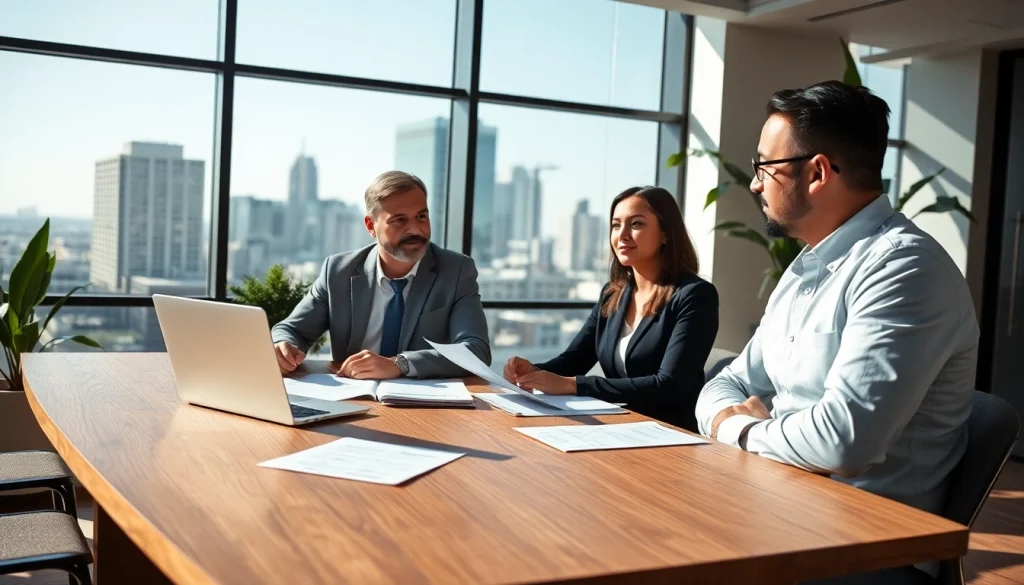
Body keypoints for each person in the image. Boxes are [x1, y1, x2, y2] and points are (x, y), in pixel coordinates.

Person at [695, 81, 978, 583]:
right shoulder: (805, 268)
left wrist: (740, 430)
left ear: (818, 172)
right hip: (781, 510)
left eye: (764, 166)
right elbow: (727, 382)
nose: (756, 184)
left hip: (863, 551)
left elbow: (843, 442)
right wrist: (728, 418)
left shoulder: (903, 269)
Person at [503, 186, 719, 432]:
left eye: (636, 224)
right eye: (616, 225)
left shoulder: (695, 295)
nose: (622, 235)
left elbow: (668, 385)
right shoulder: (613, 294)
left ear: (666, 233)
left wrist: (574, 385)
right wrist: (532, 371)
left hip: (670, 433)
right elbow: (575, 359)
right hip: (617, 425)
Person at [271, 170, 491, 379]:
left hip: (424, 400)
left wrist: (400, 364)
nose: (415, 229)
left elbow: (476, 350)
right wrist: (283, 347)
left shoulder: (456, 270)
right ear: (371, 225)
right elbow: (291, 330)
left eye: (421, 216)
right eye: (399, 220)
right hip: (354, 394)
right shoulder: (338, 271)